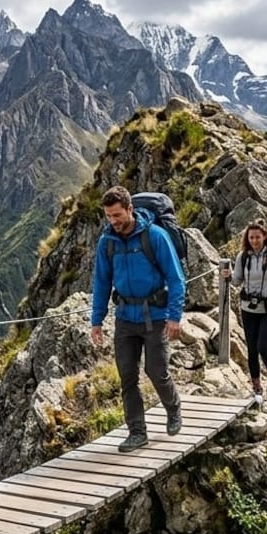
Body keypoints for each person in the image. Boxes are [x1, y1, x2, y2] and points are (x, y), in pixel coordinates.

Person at [90, 185, 186, 451]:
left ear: (130, 209)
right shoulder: (106, 242)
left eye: (117, 215)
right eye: (109, 216)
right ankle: (137, 432)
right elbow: (101, 282)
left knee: (156, 371)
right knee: (127, 377)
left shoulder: (154, 236)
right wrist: (96, 321)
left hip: (155, 317)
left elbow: (176, 279)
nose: (113, 221)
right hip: (124, 318)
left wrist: (174, 316)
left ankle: (173, 407)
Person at [222, 221, 267, 396]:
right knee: (251, 349)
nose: (254, 241)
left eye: (257, 237)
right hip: (248, 310)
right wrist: (229, 276)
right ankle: (256, 386)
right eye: (251, 237)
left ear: (265, 236)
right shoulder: (243, 257)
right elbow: (237, 281)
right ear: (247, 238)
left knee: (263, 346)